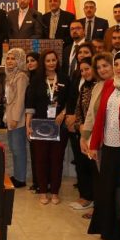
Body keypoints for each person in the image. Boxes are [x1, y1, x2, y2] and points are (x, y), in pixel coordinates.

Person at [87, 50, 120, 240]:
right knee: (107, 192)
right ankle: (110, 232)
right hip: (108, 147)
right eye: (117, 64)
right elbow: (100, 117)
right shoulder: (110, 84)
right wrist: (94, 144)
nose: (119, 68)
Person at [26, 49, 72, 205]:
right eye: (48, 60)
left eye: (54, 60)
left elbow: (71, 101)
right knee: (41, 159)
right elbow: (30, 104)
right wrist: (28, 125)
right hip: (40, 125)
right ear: (43, 63)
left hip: (59, 125)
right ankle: (43, 191)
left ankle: (55, 192)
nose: (51, 63)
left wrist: (63, 113)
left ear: (57, 61)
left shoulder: (65, 79)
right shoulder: (36, 80)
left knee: (56, 159)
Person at [81, 52, 114, 227]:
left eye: (105, 65)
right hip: (96, 141)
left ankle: (107, 215)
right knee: (99, 178)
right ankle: (100, 212)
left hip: (113, 142)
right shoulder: (98, 86)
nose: (102, 70)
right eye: (99, 67)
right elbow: (90, 115)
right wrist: (84, 137)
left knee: (109, 181)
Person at [69, 56, 96, 210]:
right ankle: (85, 196)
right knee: (82, 165)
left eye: (87, 69)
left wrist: (88, 130)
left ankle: (94, 199)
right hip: (82, 134)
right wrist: (80, 127)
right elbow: (78, 110)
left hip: (95, 135)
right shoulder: (84, 86)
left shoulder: (101, 86)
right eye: (82, 70)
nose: (85, 73)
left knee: (93, 168)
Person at [4, 47, 29, 188]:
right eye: (8, 58)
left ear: (19, 60)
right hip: (10, 117)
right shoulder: (10, 75)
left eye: (13, 58)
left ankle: (21, 178)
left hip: (17, 119)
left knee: (18, 149)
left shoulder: (21, 76)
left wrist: (15, 118)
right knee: (14, 148)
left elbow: (20, 99)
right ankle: (18, 175)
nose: (9, 61)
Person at [25, 51, 41, 192]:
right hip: (32, 119)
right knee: (35, 153)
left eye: (32, 60)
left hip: (40, 120)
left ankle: (41, 183)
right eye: (28, 61)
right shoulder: (31, 77)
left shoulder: (40, 78)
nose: (29, 63)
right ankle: (37, 182)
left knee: (40, 154)